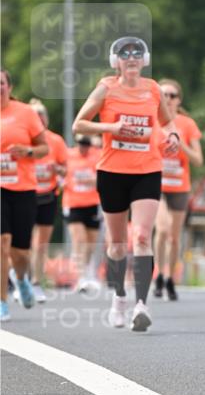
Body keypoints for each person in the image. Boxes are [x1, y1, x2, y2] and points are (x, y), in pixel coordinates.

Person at [72, 36, 178, 331]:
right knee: (117, 244)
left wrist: (173, 137)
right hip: (112, 172)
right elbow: (78, 124)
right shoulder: (107, 87)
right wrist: (112, 127)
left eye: (136, 53)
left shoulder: (153, 89)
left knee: (142, 236)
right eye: (124, 53)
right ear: (115, 61)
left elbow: (168, 122)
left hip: (147, 170)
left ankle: (141, 305)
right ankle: (119, 297)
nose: (131, 57)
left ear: (144, 60)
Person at [1, 69, 49, 320]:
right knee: (2, 243)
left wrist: (27, 152)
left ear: (9, 86)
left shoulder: (25, 114)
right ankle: (1, 302)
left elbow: (44, 148)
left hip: (23, 189)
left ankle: (20, 280)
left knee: (20, 251)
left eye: (1, 83)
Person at [153, 79, 203, 300]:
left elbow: (198, 159)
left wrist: (179, 141)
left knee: (174, 237)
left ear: (178, 99)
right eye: (164, 95)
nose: (168, 99)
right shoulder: (153, 122)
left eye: (172, 95)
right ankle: (157, 274)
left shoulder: (187, 124)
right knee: (162, 229)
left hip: (180, 186)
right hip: (156, 184)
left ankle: (170, 277)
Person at [29, 100, 68, 302]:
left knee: (41, 243)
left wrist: (58, 169)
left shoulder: (56, 141)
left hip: (48, 195)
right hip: (24, 194)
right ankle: (20, 280)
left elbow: (66, 168)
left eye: (41, 114)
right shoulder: (22, 139)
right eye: (34, 115)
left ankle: (36, 282)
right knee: (21, 243)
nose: (39, 118)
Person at [62, 135, 102, 292]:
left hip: (92, 203)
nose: (83, 147)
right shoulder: (69, 155)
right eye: (81, 143)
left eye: (86, 144)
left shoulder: (97, 155)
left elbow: (105, 176)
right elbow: (61, 171)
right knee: (80, 240)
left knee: (91, 243)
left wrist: (95, 180)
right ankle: (81, 277)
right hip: (73, 203)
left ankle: (89, 273)